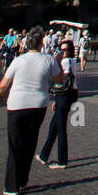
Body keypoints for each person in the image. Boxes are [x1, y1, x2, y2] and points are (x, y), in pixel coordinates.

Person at [0, 25, 64, 195]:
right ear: (41, 44)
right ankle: (23, 180)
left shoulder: (18, 60)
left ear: (27, 44)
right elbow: (60, 79)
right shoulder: (48, 60)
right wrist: (58, 61)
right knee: (30, 142)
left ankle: (11, 186)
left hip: (17, 104)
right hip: (37, 105)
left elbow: (3, 84)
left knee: (14, 144)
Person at [36, 39, 78, 170]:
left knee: (60, 128)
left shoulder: (64, 61)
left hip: (65, 95)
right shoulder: (71, 61)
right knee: (54, 126)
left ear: (70, 51)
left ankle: (62, 160)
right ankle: (44, 155)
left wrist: (56, 60)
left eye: (65, 50)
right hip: (68, 94)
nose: (62, 52)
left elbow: (60, 79)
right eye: (61, 49)